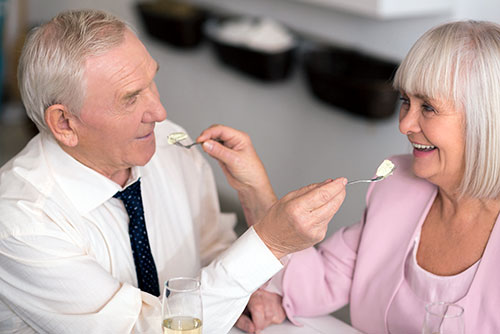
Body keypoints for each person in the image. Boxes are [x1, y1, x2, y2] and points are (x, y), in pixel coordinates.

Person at [0, 9, 347, 334]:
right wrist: (268, 243)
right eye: (131, 97)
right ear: (64, 123)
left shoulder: (168, 145)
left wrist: (246, 290)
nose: (160, 112)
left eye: (152, 81)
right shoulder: (20, 221)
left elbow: (210, 246)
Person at [201, 20, 500, 333]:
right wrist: (254, 188)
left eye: (428, 107)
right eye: (405, 102)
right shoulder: (398, 187)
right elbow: (318, 283)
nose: (405, 124)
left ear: (485, 119)